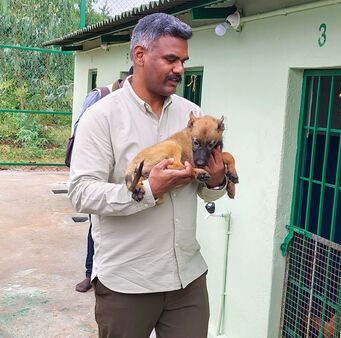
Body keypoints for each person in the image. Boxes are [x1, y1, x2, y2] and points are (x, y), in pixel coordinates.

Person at [68, 13, 227, 337]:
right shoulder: (102, 117)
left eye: (183, 61)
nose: (180, 69)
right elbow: (81, 192)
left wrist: (215, 181)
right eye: (171, 59)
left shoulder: (191, 114)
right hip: (127, 282)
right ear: (140, 55)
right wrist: (147, 190)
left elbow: (208, 190)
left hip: (187, 279)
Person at [72, 69, 132, 293]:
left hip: (125, 174)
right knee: (96, 221)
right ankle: (90, 273)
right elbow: (81, 128)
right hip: (98, 167)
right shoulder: (100, 96)